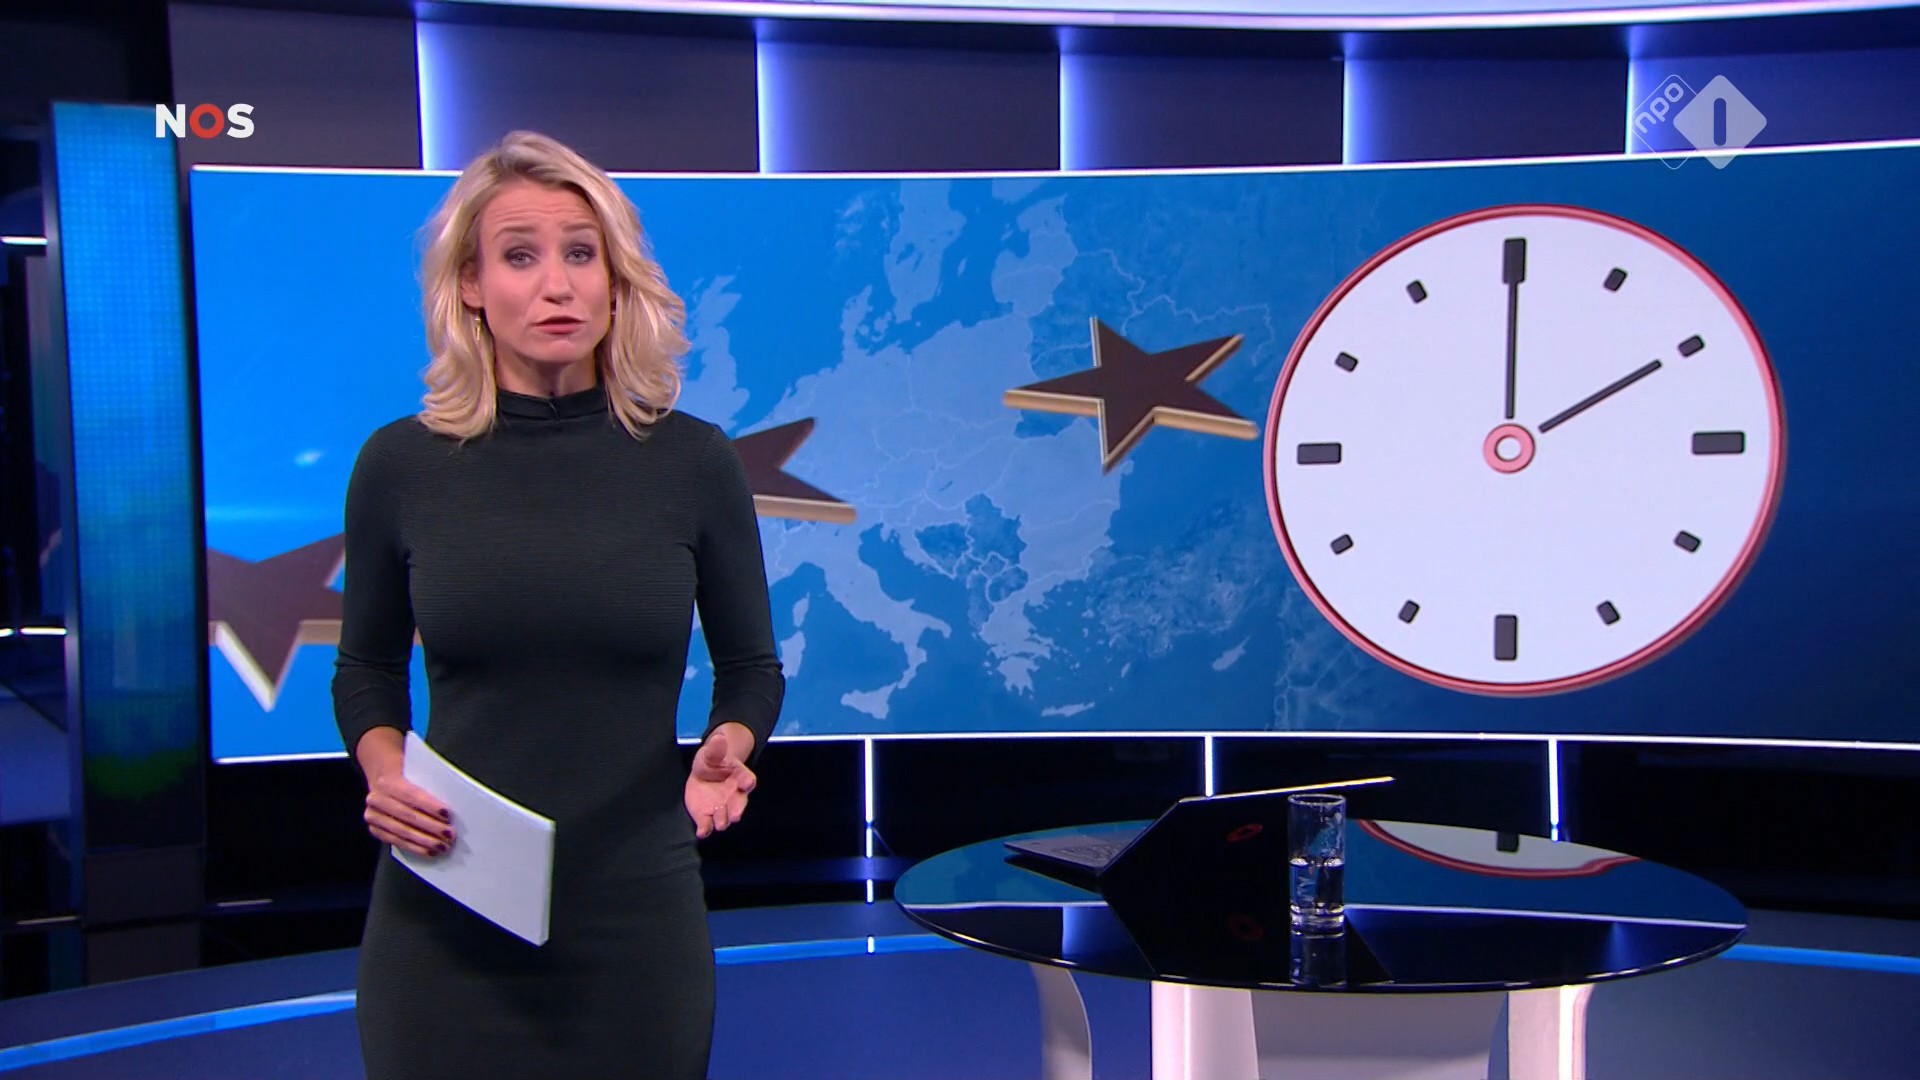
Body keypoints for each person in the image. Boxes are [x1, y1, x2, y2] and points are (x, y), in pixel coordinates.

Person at [332, 129, 784, 1080]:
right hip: (447, 908)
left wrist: (730, 744)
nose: (557, 285)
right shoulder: (399, 465)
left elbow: (751, 668)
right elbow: (366, 668)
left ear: (616, 280)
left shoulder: (693, 462)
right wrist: (385, 771)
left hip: (636, 922)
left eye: (582, 254)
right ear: (469, 284)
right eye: (520, 256)